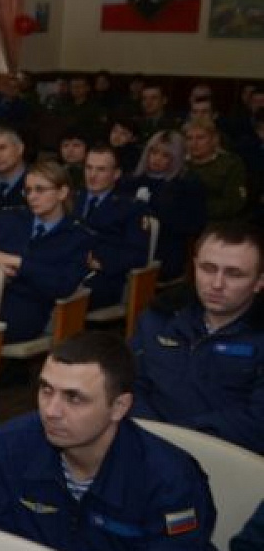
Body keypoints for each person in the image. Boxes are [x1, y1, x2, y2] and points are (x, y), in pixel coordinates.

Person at [0, 331, 217, 550]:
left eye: (74, 398)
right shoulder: (8, 447)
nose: (51, 411)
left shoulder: (171, 480)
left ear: (119, 406)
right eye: (46, 390)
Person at [131, 223, 264, 455]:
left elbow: (256, 421)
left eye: (234, 274)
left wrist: (180, 437)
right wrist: (152, 435)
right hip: (146, 447)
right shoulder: (160, 317)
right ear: (194, 266)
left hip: (227, 459)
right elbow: (127, 383)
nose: (217, 284)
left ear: (259, 281)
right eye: (208, 268)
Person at [0, 161, 93, 343]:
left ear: (62, 192)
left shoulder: (77, 236)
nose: (32, 197)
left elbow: (63, 284)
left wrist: (20, 263)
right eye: (28, 190)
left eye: (40, 190)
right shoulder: (9, 219)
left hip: (29, 307)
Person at [118, 130, 208, 283]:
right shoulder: (130, 182)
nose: (157, 159)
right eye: (153, 152)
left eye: (165, 155)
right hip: (127, 248)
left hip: (166, 251)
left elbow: (193, 225)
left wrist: (157, 208)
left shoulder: (186, 186)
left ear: (177, 158)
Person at [76, 145, 150, 309]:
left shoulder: (131, 208)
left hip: (103, 276)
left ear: (116, 174)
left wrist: (99, 262)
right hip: (65, 266)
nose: (92, 175)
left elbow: (138, 255)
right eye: (89, 168)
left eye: (101, 170)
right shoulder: (72, 199)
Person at [184, 118, 250, 223]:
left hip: (220, 224)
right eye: (189, 138)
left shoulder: (231, 164)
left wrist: (196, 209)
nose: (194, 143)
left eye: (200, 138)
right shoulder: (180, 165)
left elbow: (234, 203)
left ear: (214, 139)